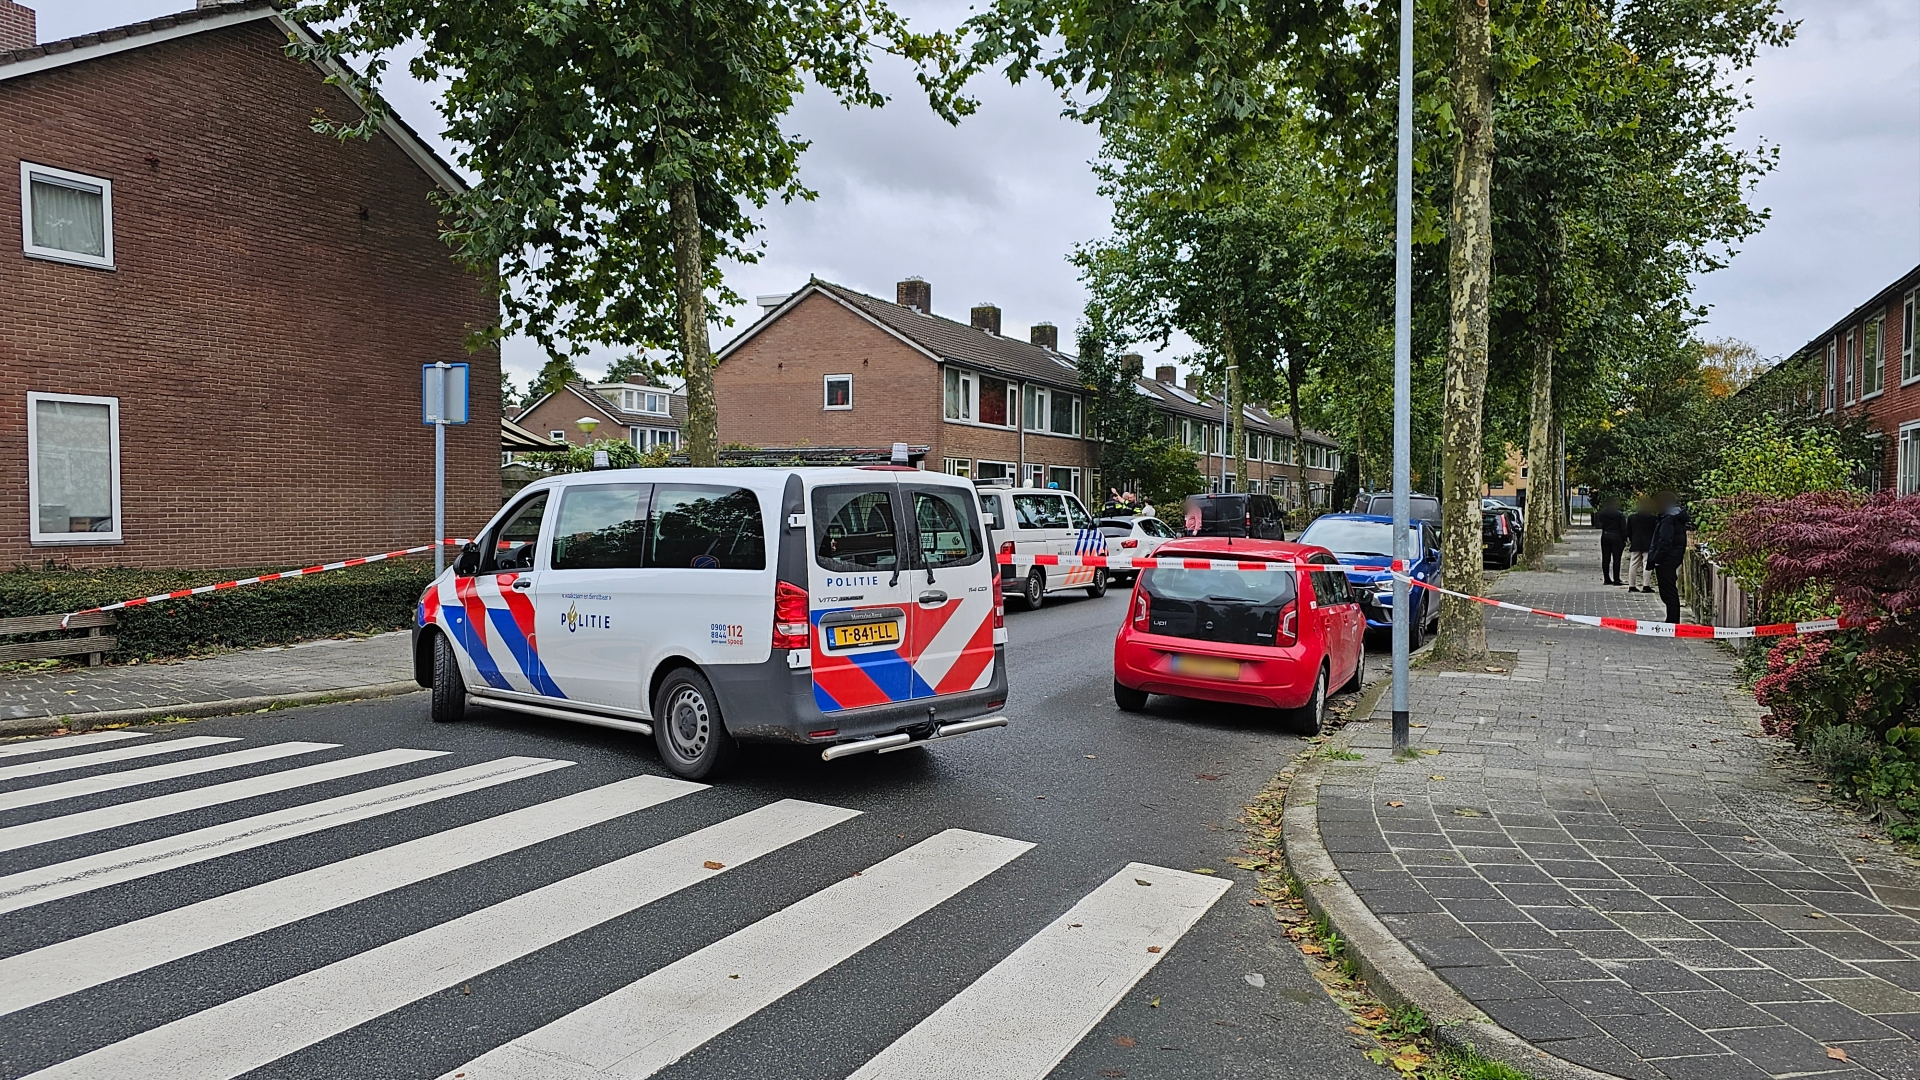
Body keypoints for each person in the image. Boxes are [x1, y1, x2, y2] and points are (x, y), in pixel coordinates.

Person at [1648, 492, 1689, 624]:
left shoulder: (1668, 519)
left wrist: (1656, 559)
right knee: (1669, 588)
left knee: (1667, 590)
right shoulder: (1675, 517)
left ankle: (1672, 621)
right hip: (1674, 556)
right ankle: (1672, 619)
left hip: (1666, 558)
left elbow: (1664, 540)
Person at [1626, 497, 1658, 593]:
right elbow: (1655, 532)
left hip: (1636, 543)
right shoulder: (1653, 519)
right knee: (1646, 564)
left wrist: (1632, 540)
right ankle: (1646, 585)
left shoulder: (1632, 518)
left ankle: (1631, 585)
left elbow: (1628, 531)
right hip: (1648, 544)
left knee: (1633, 564)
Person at [1593, 497, 1627, 586]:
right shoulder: (1620, 515)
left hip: (1605, 535)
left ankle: (1606, 578)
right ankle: (1616, 579)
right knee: (1617, 558)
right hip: (1617, 536)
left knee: (1605, 558)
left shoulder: (1602, 514)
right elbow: (1623, 528)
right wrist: (1624, 539)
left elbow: (1599, 524)